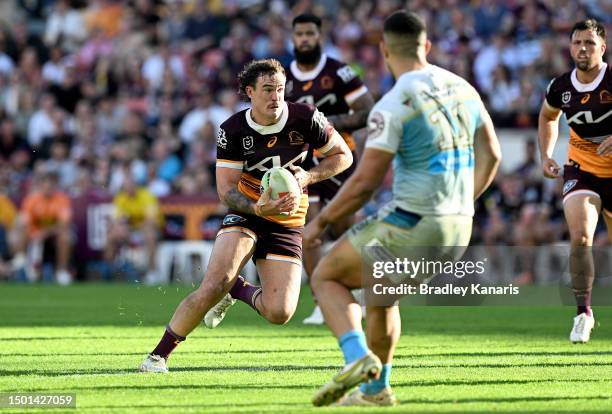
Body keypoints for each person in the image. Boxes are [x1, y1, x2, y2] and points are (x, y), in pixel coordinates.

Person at [303, 10, 501, 406]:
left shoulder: (392, 104)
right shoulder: (463, 87)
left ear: (383, 51)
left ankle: (358, 359)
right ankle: (376, 391)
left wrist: (320, 223)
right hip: (460, 225)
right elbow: (492, 155)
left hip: (412, 224)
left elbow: (364, 182)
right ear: (426, 46)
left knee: (326, 275)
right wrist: (463, 204)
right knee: (381, 297)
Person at [139, 59, 352, 373]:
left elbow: (343, 156)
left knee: (280, 313)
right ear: (250, 92)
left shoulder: (307, 117)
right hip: (247, 211)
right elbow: (226, 190)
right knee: (214, 284)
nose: (275, 96)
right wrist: (255, 208)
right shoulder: (232, 129)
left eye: (280, 89)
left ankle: (238, 290)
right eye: (267, 90)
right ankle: (157, 357)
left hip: (288, 218)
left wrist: (307, 178)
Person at [286, 13, 375, 324]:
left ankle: (360, 292)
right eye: (300, 34)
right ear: (293, 38)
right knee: (307, 230)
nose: (305, 39)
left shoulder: (339, 71)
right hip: (301, 162)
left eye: (310, 33)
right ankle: (321, 301)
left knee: (342, 226)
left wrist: (330, 124)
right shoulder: (283, 77)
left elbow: (368, 110)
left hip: (338, 157)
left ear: (319, 36)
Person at [537, 19, 611, 344]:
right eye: (578, 42)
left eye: (590, 43)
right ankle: (583, 313)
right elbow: (547, 116)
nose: (583, 48)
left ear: (603, 48)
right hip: (582, 169)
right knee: (581, 238)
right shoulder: (560, 86)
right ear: (570, 47)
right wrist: (546, 154)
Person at [12, 170, 74, 285]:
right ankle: (21, 259)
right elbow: (25, 221)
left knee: (66, 236)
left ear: (55, 186)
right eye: (45, 185)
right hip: (34, 235)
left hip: (53, 236)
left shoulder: (62, 199)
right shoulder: (31, 200)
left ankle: (61, 271)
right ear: (40, 186)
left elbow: (64, 224)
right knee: (18, 228)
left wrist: (45, 232)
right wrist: (35, 233)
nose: (48, 188)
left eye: (51, 186)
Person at [103, 165, 162, 284]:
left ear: (135, 185)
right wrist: (120, 228)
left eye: (130, 184)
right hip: (132, 231)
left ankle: (152, 272)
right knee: (111, 235)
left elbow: (151, 221)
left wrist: (131, 227)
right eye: (125, 185)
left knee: (150, 235)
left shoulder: (147, 196)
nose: (128, 188)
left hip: (150, 230)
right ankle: (108, 271)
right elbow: (117, 220)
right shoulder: (121, 198)